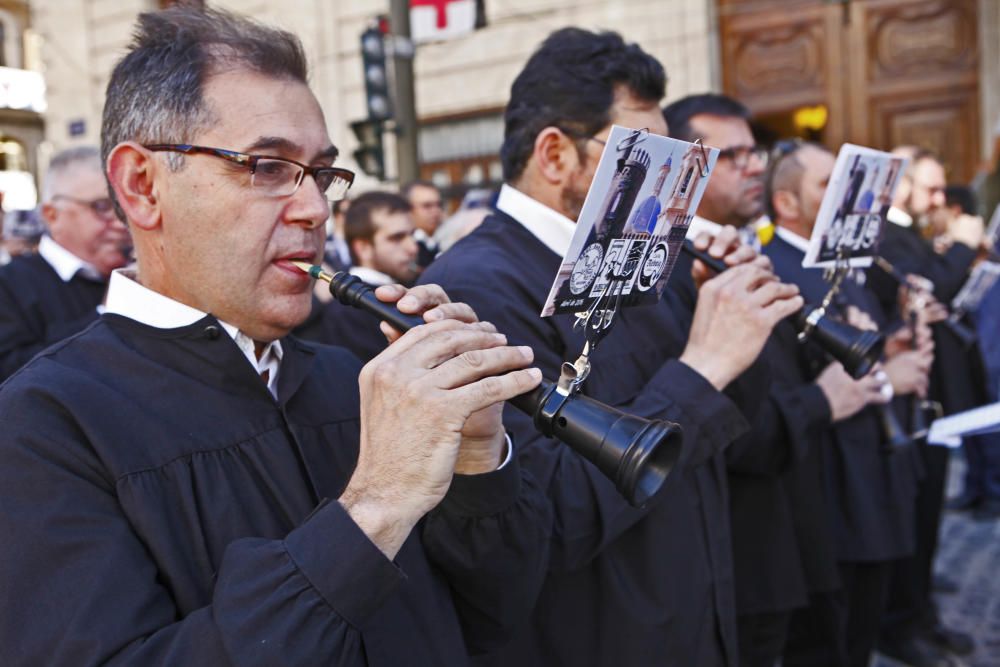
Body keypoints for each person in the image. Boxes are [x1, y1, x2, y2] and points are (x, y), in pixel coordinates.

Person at [0, 8, 553, 666]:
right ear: (144, 186)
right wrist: (372, 507)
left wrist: (479, 458)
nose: (316, 207)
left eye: (320, 173)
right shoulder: (43, 423)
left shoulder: (345, 373)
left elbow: (495, 614)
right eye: (266, 167)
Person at [421, 28, 803, 667]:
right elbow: (542, 521)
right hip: (598, 636)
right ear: (555, 156)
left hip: (698, 613)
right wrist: (702, 365)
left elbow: (735, 438)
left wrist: (742, 324)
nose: (668, 186)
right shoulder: (472, 287)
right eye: (647, 159)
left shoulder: (657, 261)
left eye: (676, 164)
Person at [873, 148, 983, 665]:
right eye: (932, 189)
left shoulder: (908, 232)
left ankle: (920, 610)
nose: (940, 199)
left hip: (935, 389)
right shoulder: (882, 233)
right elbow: (930, 283)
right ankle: (904, 621)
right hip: (906, 397)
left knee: (929, 506)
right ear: (901, 186)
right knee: (912, 511)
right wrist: (960, 249)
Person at [0, 146, 130, 381]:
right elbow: (11, 375)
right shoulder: (8, 286)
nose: (121, 224)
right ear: (52, 215)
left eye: (123, 207)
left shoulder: (137, 273)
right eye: (102, 207)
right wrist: (108, 312)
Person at [309, 191, 420, 362]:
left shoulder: (408, 285)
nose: (412, 247)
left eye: (412, 235)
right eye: (396, 238)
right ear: (363, 248)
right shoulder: (348, 312)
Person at [403, 179, 444, 269]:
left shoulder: (434, 243)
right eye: (427, 206)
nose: (435, 211)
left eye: (439, 205)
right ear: (408, 210)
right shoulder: (406, 250)